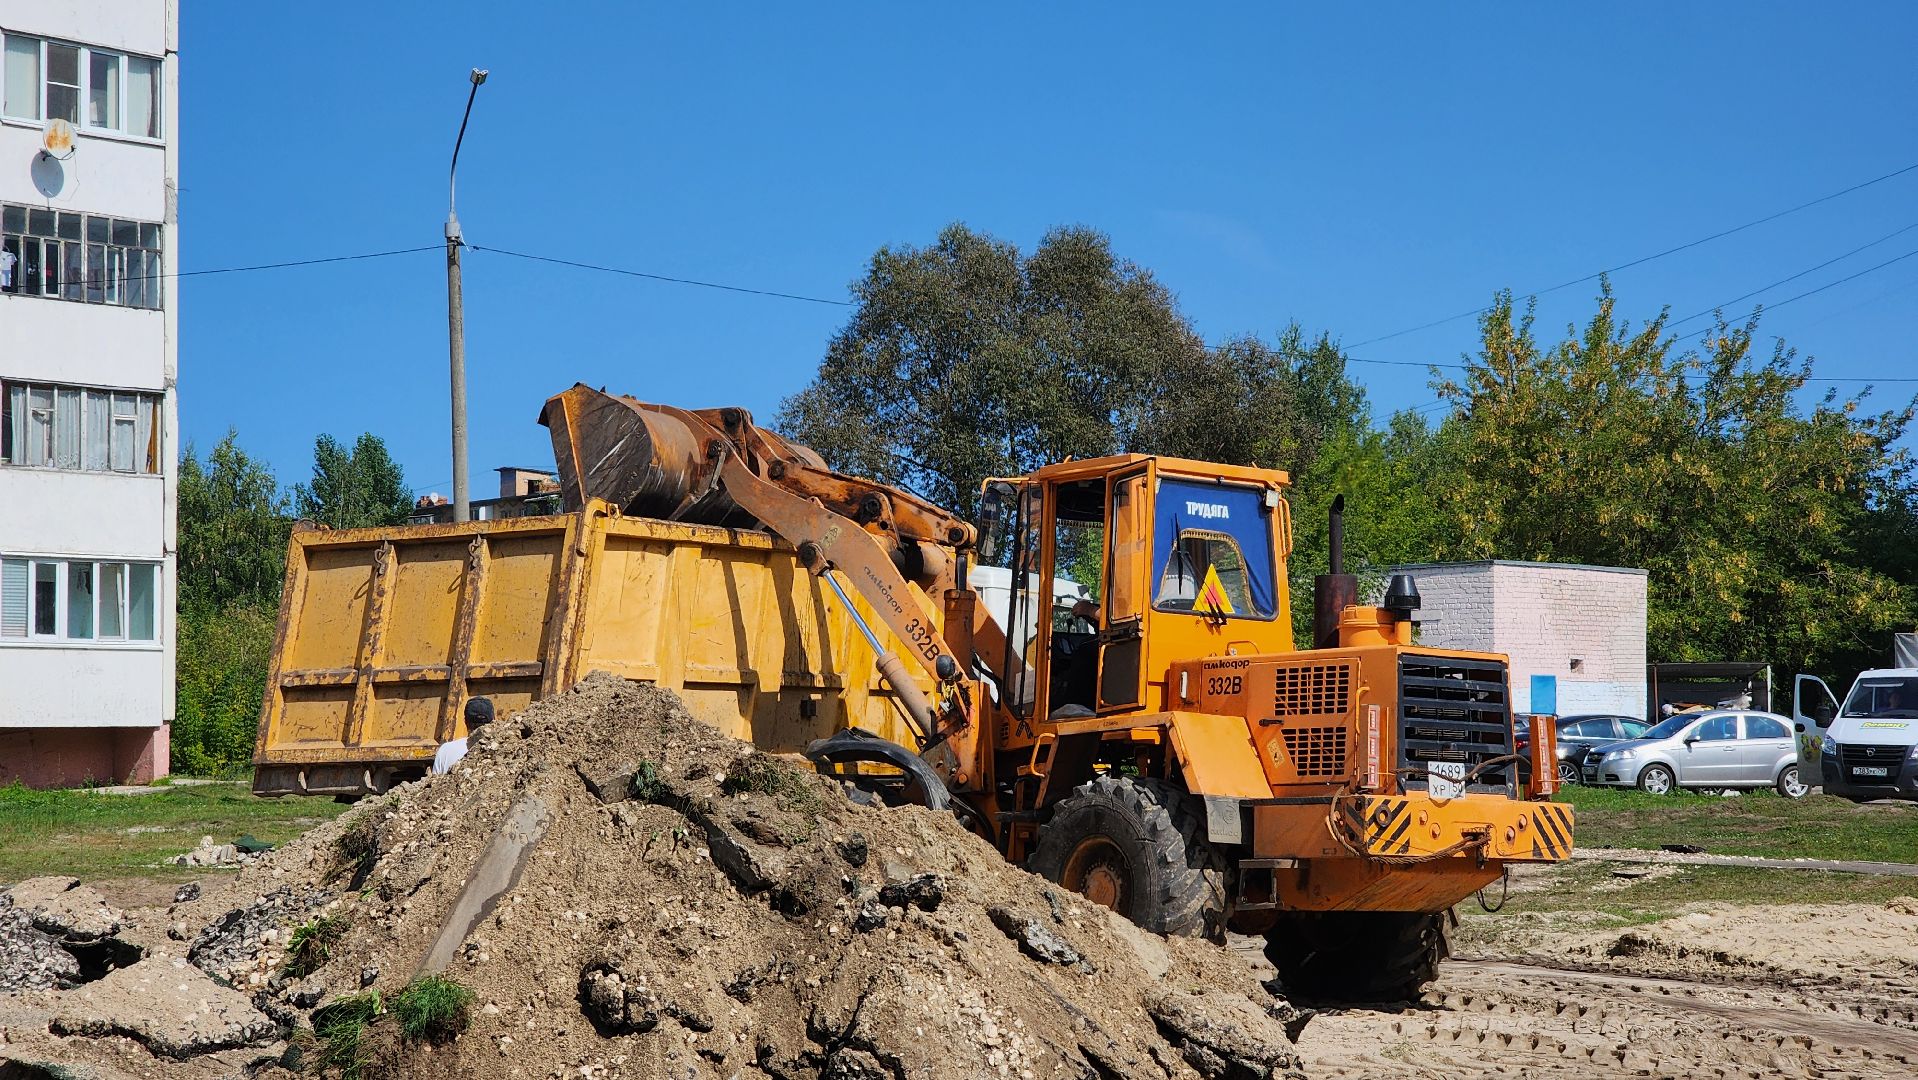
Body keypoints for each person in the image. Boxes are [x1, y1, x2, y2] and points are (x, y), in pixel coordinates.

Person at [432, 697, 494, 775]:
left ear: (465, 722)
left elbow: (434, 784)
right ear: (493, 721)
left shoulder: (445, 750)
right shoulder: (503, 751)